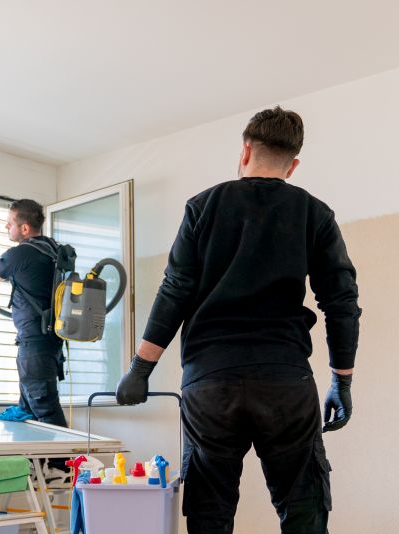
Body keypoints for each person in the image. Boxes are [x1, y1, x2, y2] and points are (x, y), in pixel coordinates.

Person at [116, 106, 361, 533]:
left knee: (210, 512)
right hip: (284, 381)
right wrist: (342, 381)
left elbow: (174, 291)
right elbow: (341, 302)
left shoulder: (203, 206)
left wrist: (141, 369)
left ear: (245, 150)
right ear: (294, 164)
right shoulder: (314, 212)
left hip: (210, 382)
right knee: (303, 507)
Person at [0, 198, 68, 429]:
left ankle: (65, 465)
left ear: (25, 228)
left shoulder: (21, 254)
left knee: (45, 410)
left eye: (10, 223)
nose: (6, 227)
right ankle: (40, 463)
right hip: (50, 342)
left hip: (35, 345)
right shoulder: (53, 250)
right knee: (30, 410)